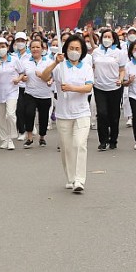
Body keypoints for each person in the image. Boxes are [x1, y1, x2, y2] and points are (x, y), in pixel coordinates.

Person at [39, 34, 93, 193]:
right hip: (63, 114)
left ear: (82, 51)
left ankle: (79, 180)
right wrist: (55, 62)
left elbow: (88, 88)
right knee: (67, 148)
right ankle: (70, 178)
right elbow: (44, 76)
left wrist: (72, 88)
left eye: (77, 48)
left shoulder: (86, 67)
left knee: (79, 144)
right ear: (66, 49)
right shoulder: (60, 67)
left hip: (82, 112)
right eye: (71, 48)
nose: (74, 51)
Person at [90, 28, 126, 151]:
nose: (106, 39)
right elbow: (92, 67)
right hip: (99, 87)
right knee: (102, 113)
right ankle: (103, 140)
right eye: (104, 36)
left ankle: (113, 139)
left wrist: (121, 79)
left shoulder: (119, 52)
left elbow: (122, 69)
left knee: (113, 115)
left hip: (114, 87)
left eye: (109, 37)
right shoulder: (96, 52)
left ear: (113, 39)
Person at [0, 36, 26, 150]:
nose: (1, 49)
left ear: (7, 47)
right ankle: (5, 138)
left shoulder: (14, 59)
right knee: (0, 118)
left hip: (12, 92)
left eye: (3, 47)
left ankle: (10, 138)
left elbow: (22, 72)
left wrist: (18, 79)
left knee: (10, 115)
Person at [21, 38, 54, 148]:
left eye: (37, 47)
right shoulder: (26, 62)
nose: (35, 49)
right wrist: (23, 78)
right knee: (29, 113)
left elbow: (51, 77)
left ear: (42, 49)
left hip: (44, 94)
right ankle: (29, 137)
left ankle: (42, 137)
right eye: (33, 47)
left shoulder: (48, 62)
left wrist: (45, 78)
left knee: (43, 117)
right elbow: (22, 74)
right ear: (29, 49)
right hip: (30, 92)